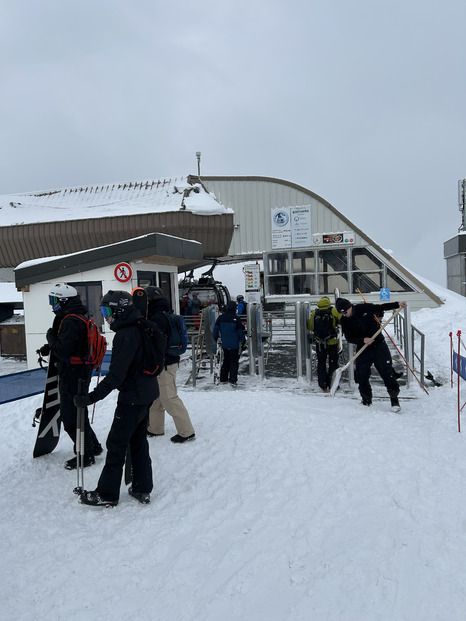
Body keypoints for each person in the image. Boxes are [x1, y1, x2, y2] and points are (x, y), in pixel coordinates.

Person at [74, 290, 158, 507]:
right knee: (138, 440)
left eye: (107, 310)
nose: (105, 316)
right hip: (147, 393)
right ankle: (142, 487)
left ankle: (107, 493)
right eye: (103, 311)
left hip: (132, 397)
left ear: (120, 310)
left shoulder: (125, 335)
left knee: (116, 443)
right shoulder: (143, 326)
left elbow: (116, 376)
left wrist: (91, 397)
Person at [41, 283, 102, 470]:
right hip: (79, 371)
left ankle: (85, 455)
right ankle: (93, 446)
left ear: (64, 301)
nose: (52, 305)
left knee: (70, 417)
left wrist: (50, 337)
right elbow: (70, 345)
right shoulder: (74, 317)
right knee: (78, 411)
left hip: (74, 374)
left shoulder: (71, 321)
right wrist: (50, 346)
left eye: (54, 300)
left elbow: (63, 350)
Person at [335, 297, 407, 411]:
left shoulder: (364, 308)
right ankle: (366, 400)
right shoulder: (344, 320)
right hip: (363, 348)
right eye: (341, 313)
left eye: (345, 312)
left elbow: (381, 307)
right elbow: (349, 337)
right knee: (362, 375)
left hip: (379, 345)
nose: (344, 315)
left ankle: (394, 400)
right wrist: (363, 340)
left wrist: (398, 304)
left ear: (350, 307)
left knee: (387, 373)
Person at [145, 286, 196, 444]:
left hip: (164, 363)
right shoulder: (163, 314)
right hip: (166, 362)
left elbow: (157, 342)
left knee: (169, 398)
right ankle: (155, 427)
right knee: (156, 398)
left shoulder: (157, 318)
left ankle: (186, 431)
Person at [308, 296, 341, 393]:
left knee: (321, 363)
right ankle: (333, 383)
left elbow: (310, 327)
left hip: (320, 343)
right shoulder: (334, 311)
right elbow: (341, 321)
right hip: (332, 342)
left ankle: (323, 385)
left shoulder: (315, 313)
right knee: (333, 363)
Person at [213, 300, 246, 386]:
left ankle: (223, 378)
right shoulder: (237, 319)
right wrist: (243, 341)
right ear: (235, 309)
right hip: (234, 344)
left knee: (226, 360)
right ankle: (233, 379)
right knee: (234, 362)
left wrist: (215, 338)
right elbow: (240, 332)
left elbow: (216, 329)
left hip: (225, 344)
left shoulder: (221, 318)